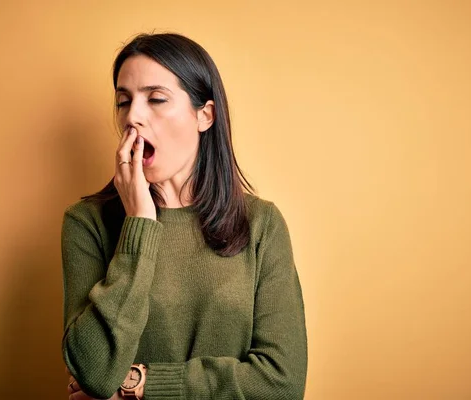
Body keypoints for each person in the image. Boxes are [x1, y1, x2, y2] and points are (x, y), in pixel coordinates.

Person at [61, 32, 308, 400]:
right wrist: (139, 224)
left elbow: (282, 384)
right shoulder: (87, 223)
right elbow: (94, 372)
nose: (133, 117)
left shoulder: (262, 225)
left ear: (204, 115)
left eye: (156, 99)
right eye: (123, 102)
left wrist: (139, 384)